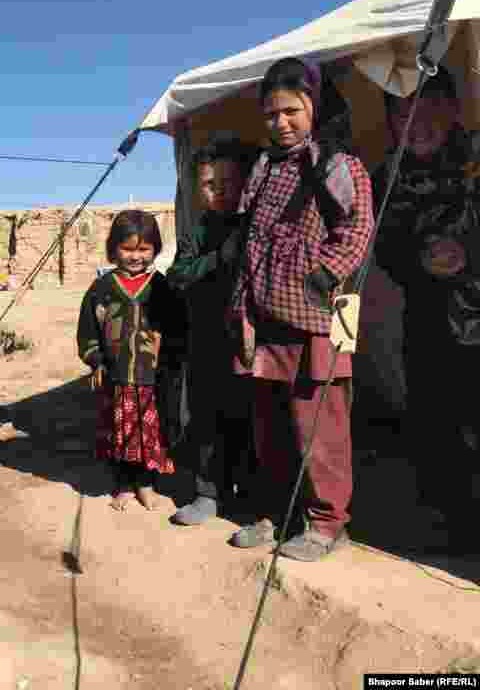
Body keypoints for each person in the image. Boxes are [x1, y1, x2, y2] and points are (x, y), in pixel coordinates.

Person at [228, 57, 373, 561]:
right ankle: (276, 513)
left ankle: (328, 523)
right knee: (270, 427)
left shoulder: (338, 165)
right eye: (271, 114)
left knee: (320, 427)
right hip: (263, 314)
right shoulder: (265, 168)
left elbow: (357, 229)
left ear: (315, 106)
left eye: (291, 111)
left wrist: (323, 276)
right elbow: (252, 235)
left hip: (315, 317)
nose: (281, 123)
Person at [370, 65, 480, 555]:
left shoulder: (476, 156)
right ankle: (455, 527)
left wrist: (468, 253)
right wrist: (419, 257)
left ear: (453, 109)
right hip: (427, 319)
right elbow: (385, 246)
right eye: (402, 115)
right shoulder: (387, 176)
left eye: (428, 109)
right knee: (435, 423)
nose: (415, 124)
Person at [167, 135, 259, 526]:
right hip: (206, 341)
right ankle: (208, 492)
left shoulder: (255, 226)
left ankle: (250, 495)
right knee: (207, 418)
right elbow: (178, 275)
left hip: (249, 341)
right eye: (209, 184)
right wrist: (219, 258)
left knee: (251, 418)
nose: (218, 191)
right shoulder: (197, 232)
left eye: (227, 182)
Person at [77, 210, 186, 511]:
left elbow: (177, 329)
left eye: (143, 249)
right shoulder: (102, 288)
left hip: (152, 378)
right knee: (119, 431)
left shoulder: (162, 287)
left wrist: (170, 362)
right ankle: (124, 485)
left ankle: (146, 483)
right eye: (127, 249)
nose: (135, 256)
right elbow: (88, 330)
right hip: (117, 377)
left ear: (155, 249)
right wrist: (96, 360)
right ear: (114, 249)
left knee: (148, 433)